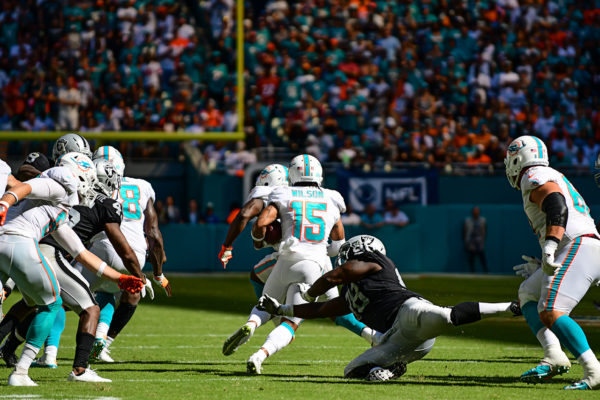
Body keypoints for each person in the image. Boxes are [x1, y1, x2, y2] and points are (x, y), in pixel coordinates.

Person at [258, 235, 518, 381]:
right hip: (399, 341)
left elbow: (334, 277)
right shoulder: (353, 291)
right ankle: (392, 369)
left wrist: (309, 292)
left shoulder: (373, 262)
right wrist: (282, 309)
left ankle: (510, 307)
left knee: (448, 315)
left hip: (410, 315)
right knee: (352, 371)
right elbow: (321, 310)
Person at [0, 154, 143, 386]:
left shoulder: (57, 208)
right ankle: (22, 372)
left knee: (35, 302)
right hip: (18, 242)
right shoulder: (61, 182)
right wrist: (5, 202)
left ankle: (16, 357)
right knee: (52, 304)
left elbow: (81, 253)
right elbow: (25, 186)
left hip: (11, 245)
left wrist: (120, 278)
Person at [221, 162, 379, 359]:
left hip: (289, 256)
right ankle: (373, 336)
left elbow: (250, 218)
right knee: (329, 307)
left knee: (326, 306)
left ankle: (265, 321)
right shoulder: (328, 196)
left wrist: (240, 244)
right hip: (316, 258)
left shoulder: (278, 194)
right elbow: (338, 246)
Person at [506, 136, 600, 390]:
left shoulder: (533, 174)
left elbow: (556, 205)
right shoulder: (548, 173)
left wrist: (550, 246)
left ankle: (594, 370)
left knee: (551, 310)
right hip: (580, 246)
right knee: (528, 293)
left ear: (518, 158)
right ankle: (554, 356)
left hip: (577, 245)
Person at [82, 146, 170, 363]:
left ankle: (45, 351)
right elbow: (153, 234)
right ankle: (103, 342)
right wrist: (158, 273)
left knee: (59, 296)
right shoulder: (142, 186)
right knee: (126, 291)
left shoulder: (89, 183)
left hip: (101, 247)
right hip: (136, 254)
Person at [463, 206, 488, 273]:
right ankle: (472, 272)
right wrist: (466, 242)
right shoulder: (468, 221)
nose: (475, 213)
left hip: (479, 242)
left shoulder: (482, 220)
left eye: (477, 211)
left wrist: (482, 240)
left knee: (482, 257)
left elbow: (485, 231)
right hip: (471, 242)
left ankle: (486, 271)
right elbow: (464, 232)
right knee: (471, 258)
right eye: (474, 211)